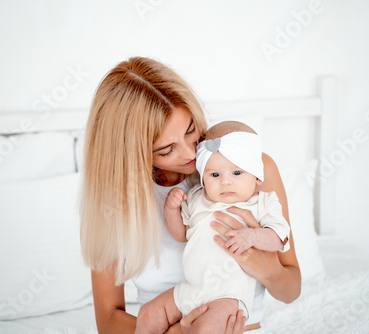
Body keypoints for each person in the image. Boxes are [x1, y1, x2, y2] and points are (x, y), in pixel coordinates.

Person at [80, 57, 301, 334]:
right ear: (131, 154)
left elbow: (291, 291)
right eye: (166, 150)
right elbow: (109, 319)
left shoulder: (248, 168)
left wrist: (269, 269)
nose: (190, 154)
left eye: (190, 131)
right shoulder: (114, 207)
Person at [135, 121, 291, 334]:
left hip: (227, 294)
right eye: (215, 175)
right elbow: (181, 235)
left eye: (237, 173)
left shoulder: (262, 202)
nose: (225, 182)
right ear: (203, 177)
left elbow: (280, 238)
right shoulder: (198, 198)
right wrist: (171, 210)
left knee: (205, 329)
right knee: (147, 314)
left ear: (256, 176)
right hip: (190, 288)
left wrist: (253, 236)